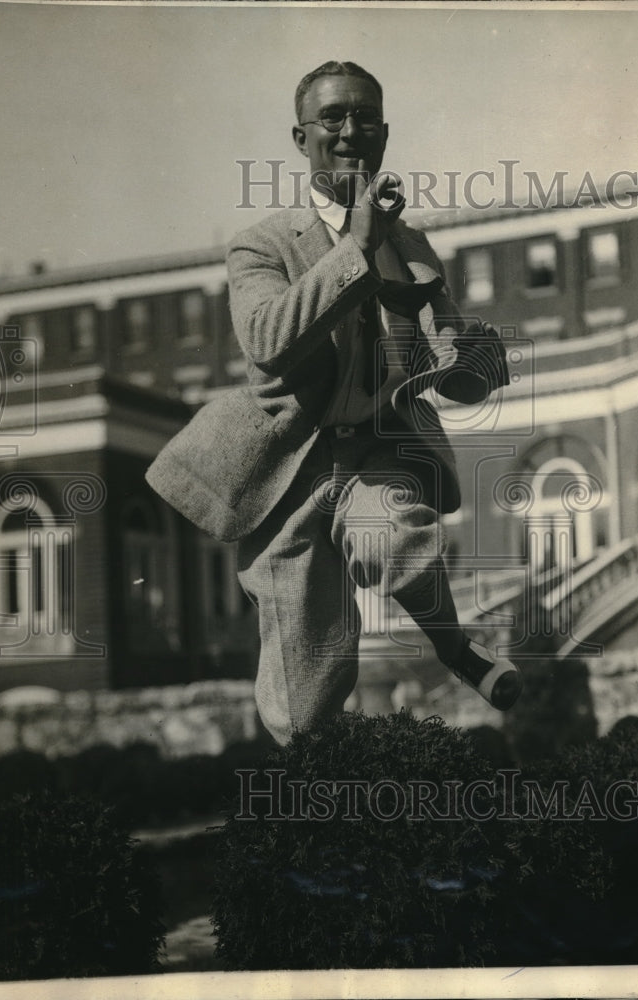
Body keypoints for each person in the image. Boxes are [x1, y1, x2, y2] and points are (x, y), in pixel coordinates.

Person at [146, 61, 522, 746]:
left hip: (375, 450)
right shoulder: (262, 243)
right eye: (332, 118)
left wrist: (482, 363)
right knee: (303, 688)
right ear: (301, 137)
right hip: (286, 468)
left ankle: (456, 650)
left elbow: (447, 371)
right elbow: (267, 340)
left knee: (395, 530)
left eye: (365, 118)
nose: (350, 131)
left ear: (384, 133)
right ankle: (311, 811)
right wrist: (356, 246)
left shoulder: (411, 246)